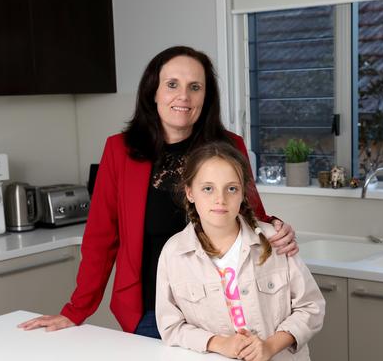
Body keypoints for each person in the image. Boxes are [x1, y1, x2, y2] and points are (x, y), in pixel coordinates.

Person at [18, 46, 298, 338]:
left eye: (195, 87)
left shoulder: (230, 146)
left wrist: (277, 229)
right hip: (153, 312)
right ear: (153, 92)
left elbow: (251, 216)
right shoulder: (119, 151)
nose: (184, 97)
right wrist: (75, 311)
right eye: (172, 85)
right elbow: (101, 238)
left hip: (227, 309)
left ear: (207, 96)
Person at [156, 141, 324, 361]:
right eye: (208, 188)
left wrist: (270, 346)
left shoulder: (274, 240)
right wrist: (220, 344)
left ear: (243, 192)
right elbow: (171, 326)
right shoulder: (174, 253)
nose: (220, 199)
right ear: (190, 192)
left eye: (231, 188)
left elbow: (311, 307)